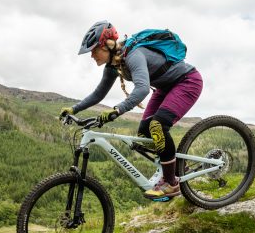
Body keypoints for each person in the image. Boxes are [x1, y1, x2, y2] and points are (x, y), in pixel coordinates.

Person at [61, 21, 203, 199]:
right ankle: (172, 166)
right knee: (144, 132)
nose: (91, 55)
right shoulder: (113, 66)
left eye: (94, 50)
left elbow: (142, 89)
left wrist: (118, 110)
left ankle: (171, 183)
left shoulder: (133, 55)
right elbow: (99, 94)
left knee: (157, 126)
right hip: (165, 88)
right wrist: (74, 109)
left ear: (106, 45)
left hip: (187, 82)